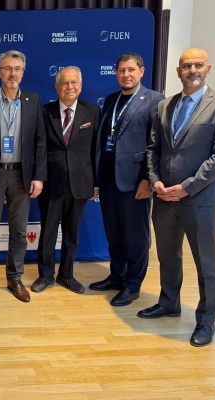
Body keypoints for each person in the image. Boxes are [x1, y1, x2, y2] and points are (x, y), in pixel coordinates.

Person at [139, 48, 215, 347]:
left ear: (207, 69)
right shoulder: (165, 105)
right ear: (178, 71)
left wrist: (187, 187)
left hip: (199, 199)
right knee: (168, 256)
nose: (192, 70)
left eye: (198, 65)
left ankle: (206, 322)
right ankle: (169, 302)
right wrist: (155, 181)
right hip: (164, 198)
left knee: (206, 264)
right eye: (186, 66)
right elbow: (154, 149)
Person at [0, 50, 47, 304]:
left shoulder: (34, 101)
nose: (12, 74)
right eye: (7, 68)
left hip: (21, 176)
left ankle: (15, 278)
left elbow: (40, 141)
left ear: (23, 72)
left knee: (19, 232)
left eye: (17, 69)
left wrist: (38, 176)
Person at [89, 53, 164, 306]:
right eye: (121, 70)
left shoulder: (154, 100)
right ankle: (117, 276)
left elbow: (157, 144)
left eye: (131, 69)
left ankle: (133, 284)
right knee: (115, 232)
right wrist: (97, 178)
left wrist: (148, 180)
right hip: (110, 179)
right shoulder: (111, 99)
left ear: (141, 71)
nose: (126, 75)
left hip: (135, 182)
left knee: (136, 236)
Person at [31, 66, 99, 294]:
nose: (69, 87)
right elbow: (38, 148)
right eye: (64, 83)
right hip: (51, 182)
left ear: (80, 85)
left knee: (72, 232)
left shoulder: (92, 111)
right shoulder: (44, 112)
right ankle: (45, 275)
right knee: (48, 231)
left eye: (74, 82)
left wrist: (96, 182)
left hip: (80, 182)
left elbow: (96, 149)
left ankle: (67, 275)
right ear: (56, 87)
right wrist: (38, 177)